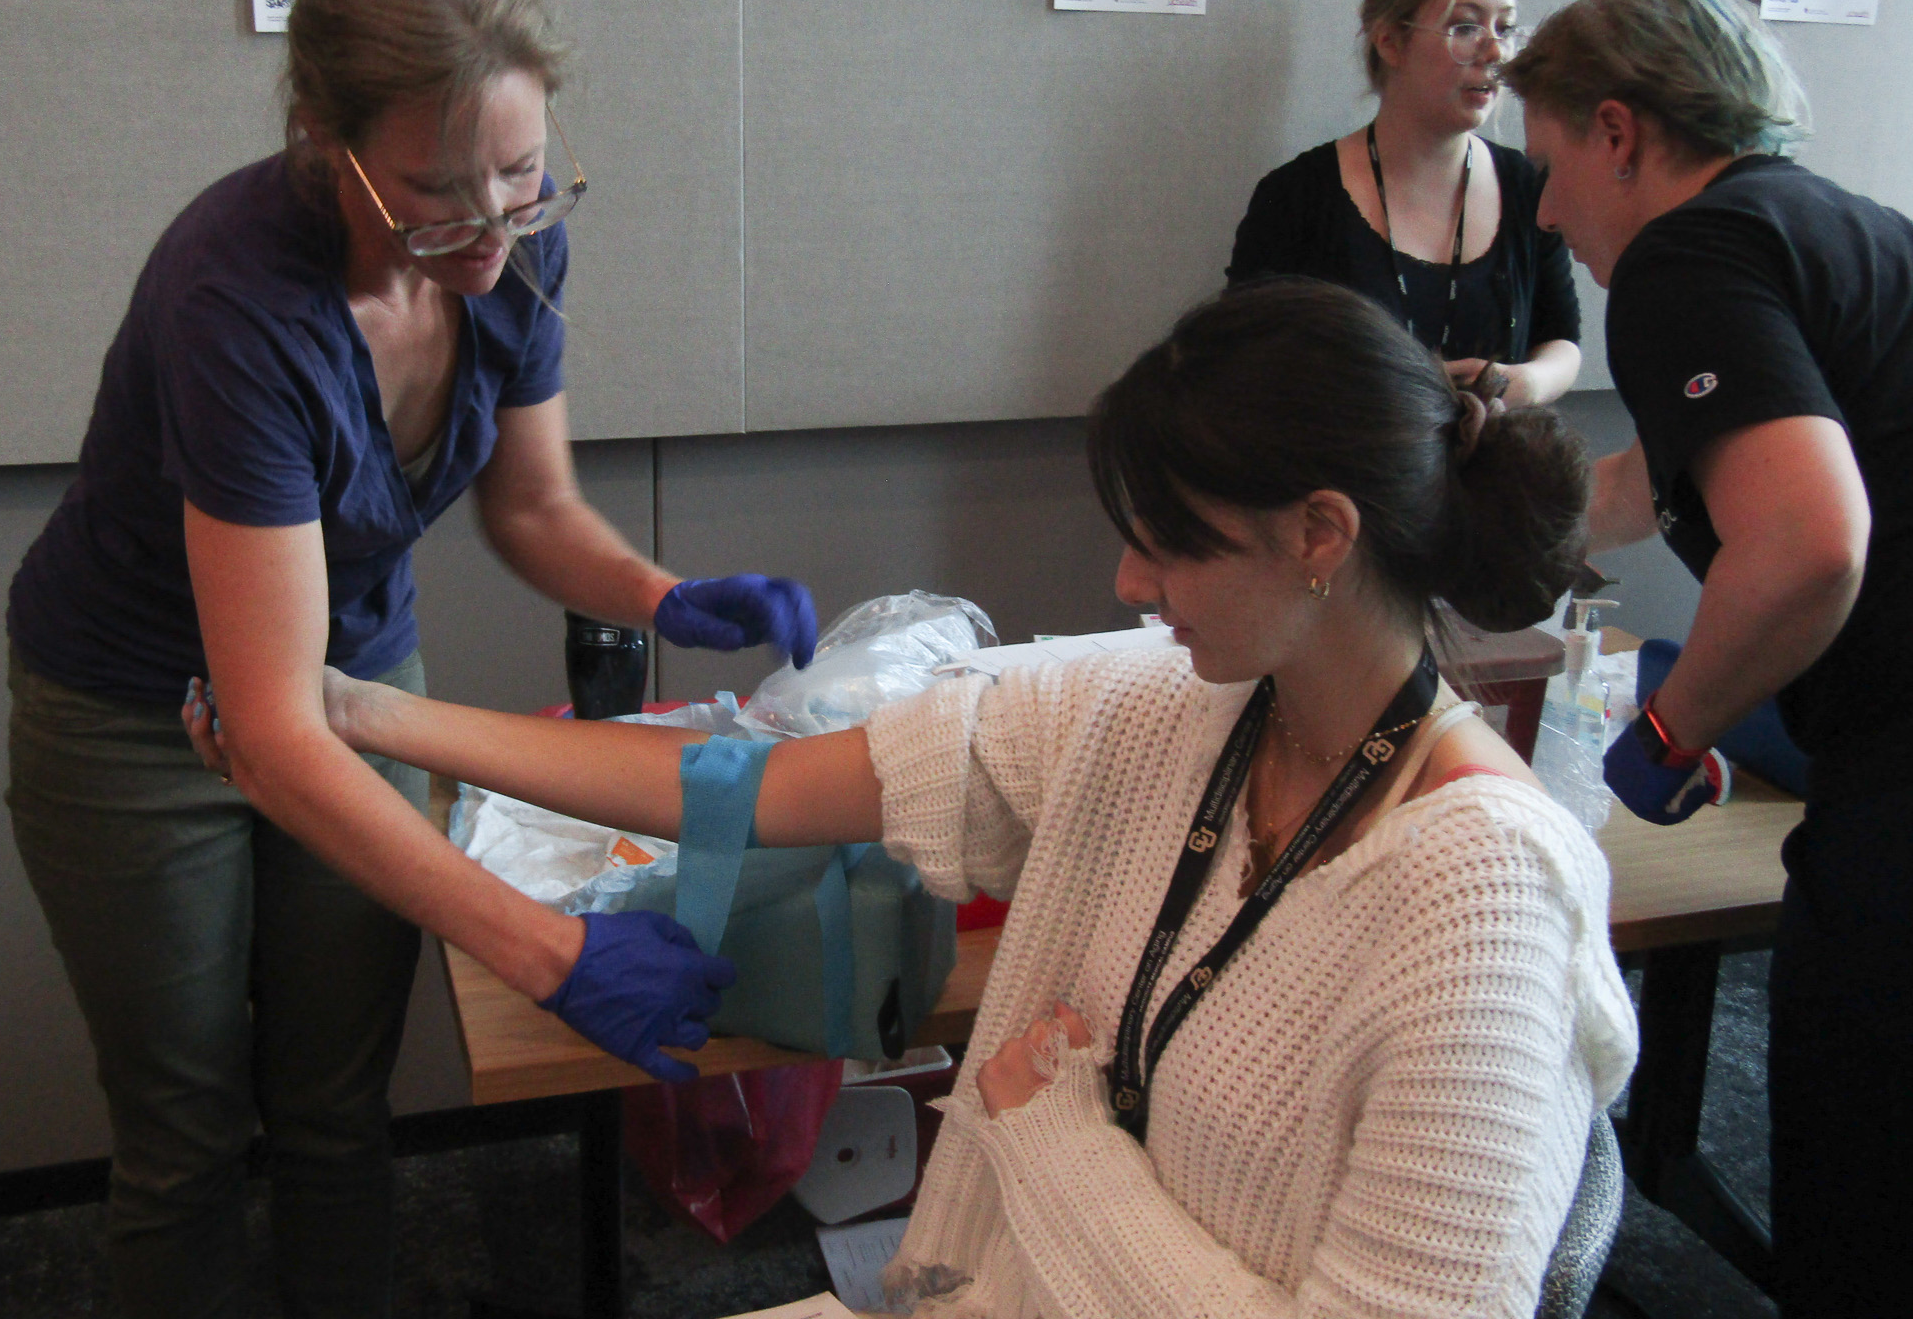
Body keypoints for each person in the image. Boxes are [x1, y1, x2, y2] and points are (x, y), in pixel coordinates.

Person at [198, 281, 1638, 1318]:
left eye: (1170, 549)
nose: (1130, 587)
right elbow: (739, 787)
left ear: (1322, 537)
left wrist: (1055, 1139)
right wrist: (354, 714)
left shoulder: (1480, 901)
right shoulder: (1149, 707)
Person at [5, 0, 815, 1319]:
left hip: (357, 678)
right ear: (324, 137)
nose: (495, 233)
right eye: (440, 194)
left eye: (522, 174)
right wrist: (551, 952)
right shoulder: (237, 302)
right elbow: (267, 727)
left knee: (336, 1110)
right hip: (133, 716)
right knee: (188, 1134)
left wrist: (660, 593)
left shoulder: (507, 245)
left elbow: (532, 508)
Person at [1502, 0, 1913, 1319]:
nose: (1548, 210)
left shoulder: (1689, 255)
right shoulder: (1839, 225)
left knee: (1857, 1215)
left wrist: (1665, 736)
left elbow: (1806, 542)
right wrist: (1517, 539)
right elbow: (1650, 482)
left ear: (1619, 131)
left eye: (1553, 164)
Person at [1227, 0, 1581, 406]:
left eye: (1505, 28)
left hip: (1498, 471)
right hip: (1346, 474)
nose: (1495, 52)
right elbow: (1240, 363)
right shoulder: (1297, 197)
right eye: (1466, 27)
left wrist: (1528, 384)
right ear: (1391, 42)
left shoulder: (1528, 185)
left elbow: (1561, 338)